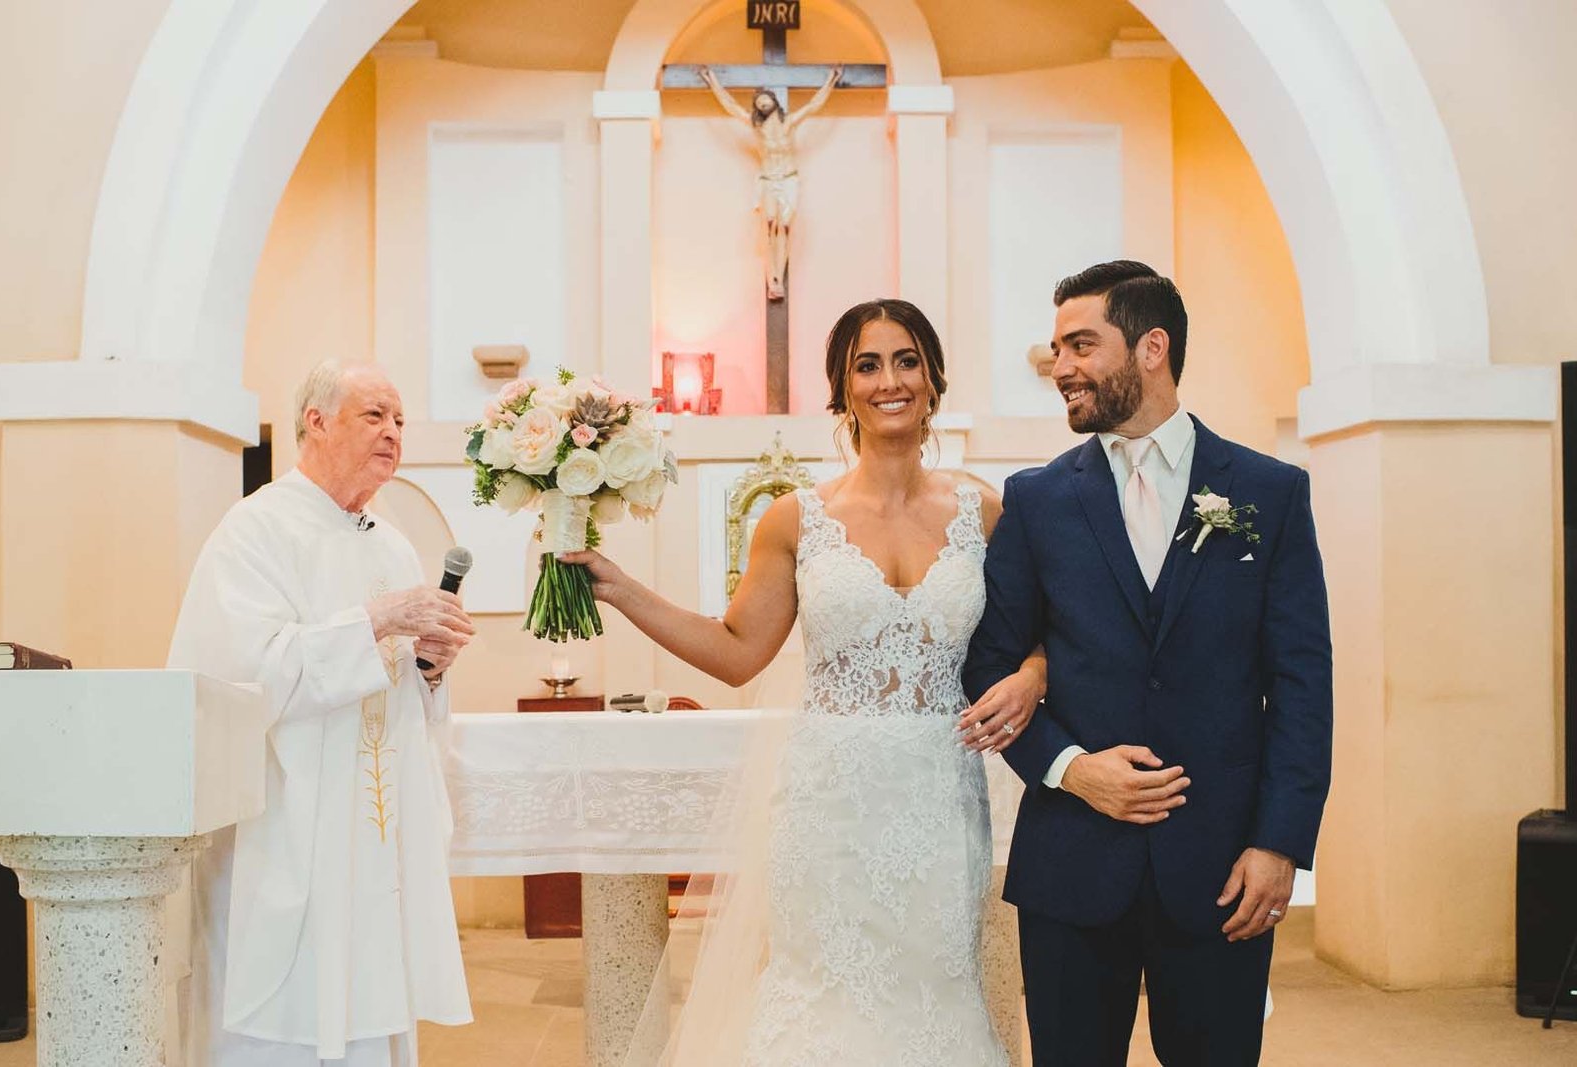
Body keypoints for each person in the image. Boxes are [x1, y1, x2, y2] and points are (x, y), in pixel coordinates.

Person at [567, 298, 1043, 1064]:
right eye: (867, 363)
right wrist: (621, 587)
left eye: (906, 360)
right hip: (829, 806)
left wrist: (1032, 673)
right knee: (822, 995)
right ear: (842, 389)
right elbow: (736, 651)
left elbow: (1040, 633)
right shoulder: (795, 519)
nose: (889, 379)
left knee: (931, 991)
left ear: (932, 379)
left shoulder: (982, 512)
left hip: (938, 793)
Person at [964, 261, 1333, 1065]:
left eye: (1080, 345)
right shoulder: (1036, 500)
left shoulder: (1269, 493)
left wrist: (1281, 844)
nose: (1060, 367)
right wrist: (1068, 766)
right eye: (1057, 348)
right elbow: (990, 663)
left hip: (1223, 866)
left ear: (1152, 347)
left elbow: (1303, 683)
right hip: (1071, 862)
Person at [169, 361, 477, 1066]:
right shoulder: (256, 530)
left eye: (399, 420)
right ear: (316, 421)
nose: (393, 432)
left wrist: (429, 669)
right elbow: (240, 678)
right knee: (284, 1011)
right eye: (375, 415)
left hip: (369, 828)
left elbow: (400, 695)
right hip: (289, 819)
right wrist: (376, 619)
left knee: (371, 991)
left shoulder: (391, 543)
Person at [700, 65, 842, 301]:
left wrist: (832, 79)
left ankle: (780, 275)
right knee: (769, 226)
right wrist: (711, 79)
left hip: (788, 179)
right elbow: (730, 106)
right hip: (767, 179)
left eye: (765, 99)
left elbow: (814, 106)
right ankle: (772, 279)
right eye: (759, 102)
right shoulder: (756, 127)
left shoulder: (789, 123)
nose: (762, 103)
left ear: (774, 101)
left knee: (785, 227)